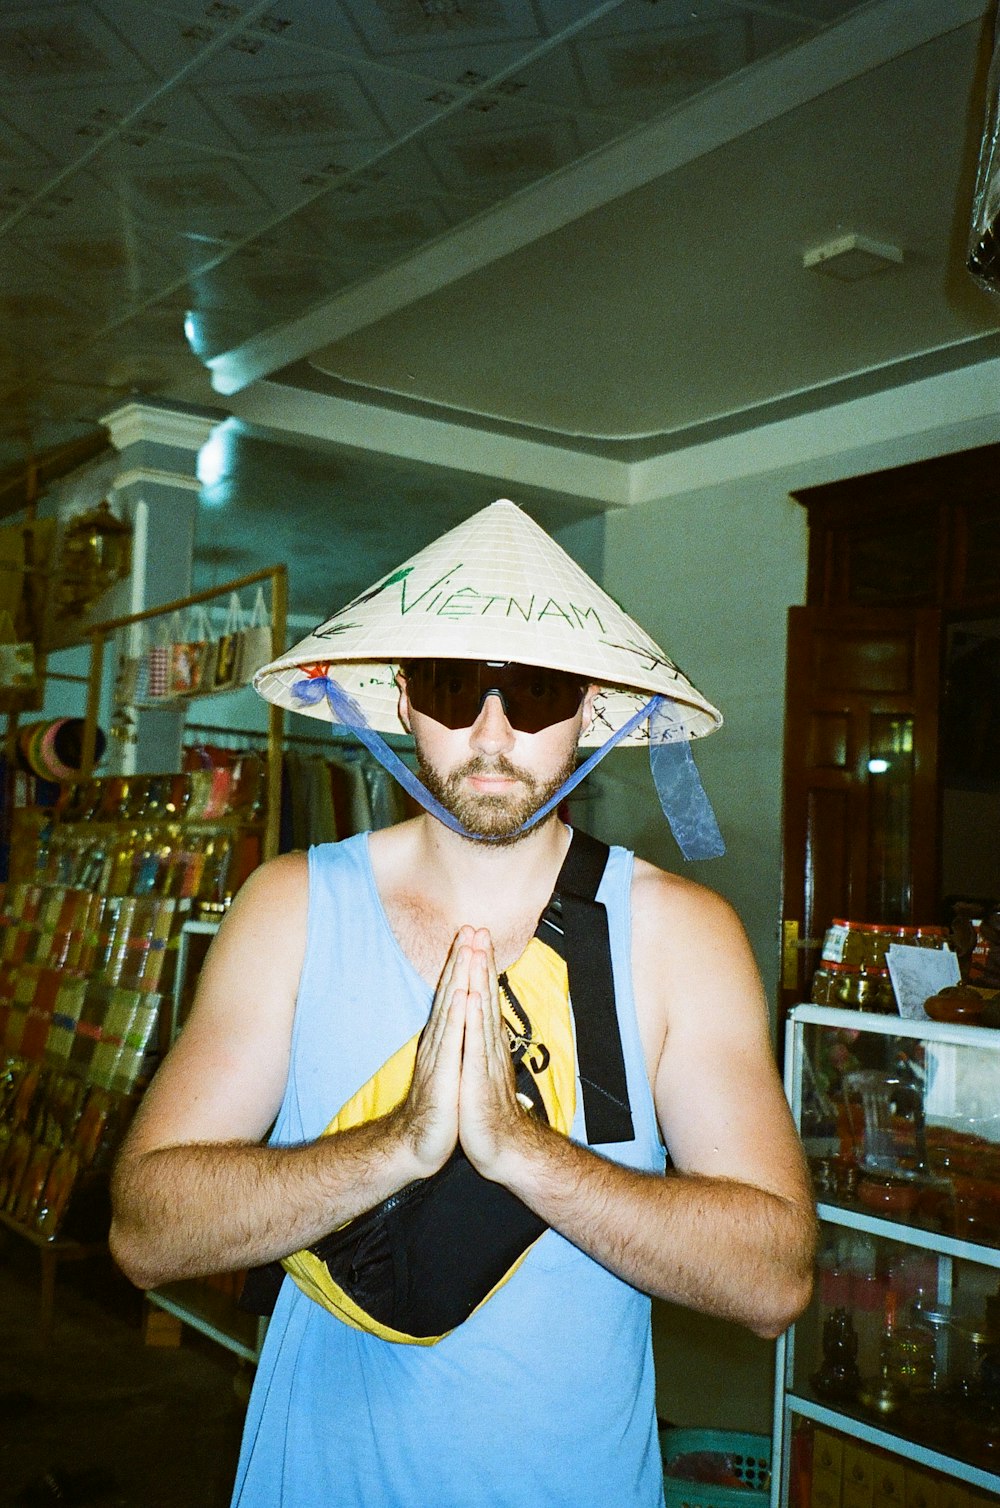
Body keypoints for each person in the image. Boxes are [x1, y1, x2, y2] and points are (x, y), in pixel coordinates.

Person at [110, 500, 816, 1508]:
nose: (491, 733)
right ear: (402, 698)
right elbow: (143, 1234)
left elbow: (772, 1281)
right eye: (453, 686)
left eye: (535, 692)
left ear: (592, 711)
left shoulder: (676, 934)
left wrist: (521, 1150)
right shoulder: (292, 906)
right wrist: (397, 1143)